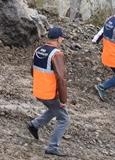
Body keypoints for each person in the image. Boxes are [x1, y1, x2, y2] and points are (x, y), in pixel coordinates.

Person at [27, 27, 70, 157]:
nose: (62, 39)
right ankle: (52, 147)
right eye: (62, 37)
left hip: (38, 90)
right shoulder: (57, 54)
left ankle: (34, 125)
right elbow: (61, 79)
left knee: (53, 109)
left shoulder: (38, 50)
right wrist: (63, 100)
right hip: (50, 93)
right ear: (58, 39)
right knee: (64, 118)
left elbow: (32, 70)